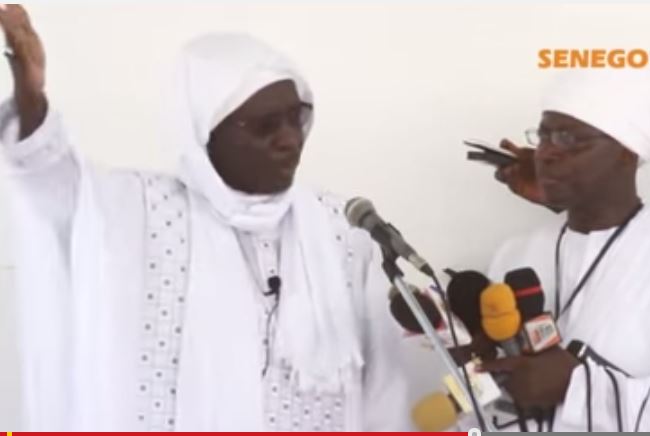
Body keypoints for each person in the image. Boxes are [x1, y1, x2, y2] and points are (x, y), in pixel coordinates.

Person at [0, 5, 410, 431]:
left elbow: (384, 393)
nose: (289, 139)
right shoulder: (148, 212)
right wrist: (32, 104)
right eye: (266, 125)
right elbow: (56, 189)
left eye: (296, 117)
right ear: (205, 133)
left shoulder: (341, 231)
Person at [479, 70, 650, 431]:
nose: (545, 153)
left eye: (568, 138)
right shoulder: (515, 255)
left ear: (626, 152)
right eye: (543, 136)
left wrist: (577, 388)